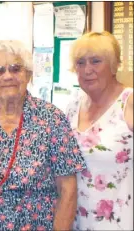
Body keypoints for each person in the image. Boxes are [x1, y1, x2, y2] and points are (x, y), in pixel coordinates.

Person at [0, 40, 87, 231]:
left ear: (28, 74)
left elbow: (68, 189)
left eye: (16, 68)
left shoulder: (52, 119)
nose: (7, 76)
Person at [66, 31, 133, 230]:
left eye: (96, 61)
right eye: (80, 62)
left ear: (113, 65)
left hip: (121, 222)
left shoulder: (128, 103)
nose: (87, 70)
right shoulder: (72, 107)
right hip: (77, 222)